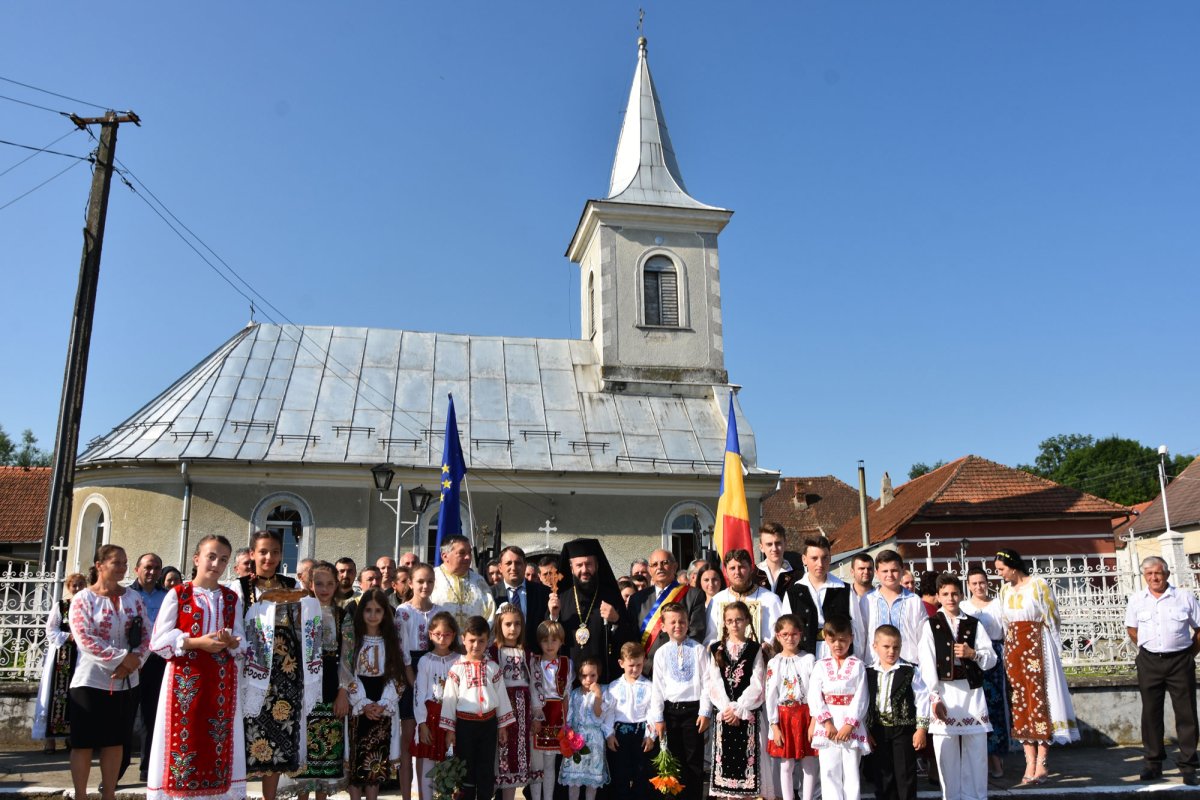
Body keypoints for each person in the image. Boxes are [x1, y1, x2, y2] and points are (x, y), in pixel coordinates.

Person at [145, 535, 245, 800]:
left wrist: (231, 642)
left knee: (217, 739)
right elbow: (158, 641)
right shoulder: (179, 594)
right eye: (211, 557)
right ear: (197, 558)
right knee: (185, 741)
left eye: (223, 559)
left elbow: (241, 640)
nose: (216, 564)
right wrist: (195, 642)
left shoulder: (231, 598)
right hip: (184, 683)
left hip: (220, 684)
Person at [236, 529, 320, 800]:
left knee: (277, 743)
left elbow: (304, 624)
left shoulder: (291, 586)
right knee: (245, 738)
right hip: (251, 675)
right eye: (263, 551)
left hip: (286, 674)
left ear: (281, 554)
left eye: (274, 552)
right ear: (252, 554)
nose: (268, 557)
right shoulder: (239, 588)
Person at [68, 544, 152, 800]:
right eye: (117, 562)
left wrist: (134, 662)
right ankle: (80, 795)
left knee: (115, 741)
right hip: (90, 681)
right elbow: (84, 637)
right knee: (83, 742)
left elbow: (147, 633)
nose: (122, 568)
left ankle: (109, 794)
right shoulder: (84, 599)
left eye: (125, 563)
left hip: (127, 681)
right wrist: (122, 659)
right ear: (99, 565)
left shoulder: (133, 597)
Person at [994, 548, 1079, 784]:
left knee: (1040, 700)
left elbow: (1052, 618)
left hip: (1037, 645)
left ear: (1013, 566)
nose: (999, 574)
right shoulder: (1004, 590)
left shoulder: (1038, 584)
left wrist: (1055, 649)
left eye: (1001, 569)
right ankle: (1028, 761)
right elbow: (1005, 623)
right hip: (1015, 648)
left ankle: (1042, 761)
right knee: (1020, 702)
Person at [917, 574, 995, 800]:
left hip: (972, 692)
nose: (950, 598)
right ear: (938, 596)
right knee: (946, 752)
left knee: (976, 750)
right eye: (945, 594)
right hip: (945, 692)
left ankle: (976, 797)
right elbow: (926, 662)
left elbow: (991, 658)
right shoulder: (931, 624)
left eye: (954, 594)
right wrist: (934, 697)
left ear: (961, 595)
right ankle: (950, 796)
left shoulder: (973, 623)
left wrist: (973, 654)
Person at [1125, 556, 1200, 784]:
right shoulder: (1137, 600)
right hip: (1149, 662)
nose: (1154, 578)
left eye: (1158, 573)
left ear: (1166, 574)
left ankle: (1188, 766)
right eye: (1149, 574)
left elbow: (1199, 629)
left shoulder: (1184, 597)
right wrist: (1150, 647)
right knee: (1151, 713)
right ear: (1144, 576)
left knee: (1186, 713)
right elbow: (1132, 630)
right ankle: (1153, 763)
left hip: (1180, 661)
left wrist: (1188, 655)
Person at [286, 561, 348, 800]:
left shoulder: (342, 616)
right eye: (319, 583)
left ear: (336, 585)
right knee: (304, 757)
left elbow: (347, 657)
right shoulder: (299, 613)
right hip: (304, 689)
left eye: (330, 584)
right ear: (310, 584)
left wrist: (343, 692)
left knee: (326, 756)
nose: (324, 589)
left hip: (331, 688)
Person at [440, 615, 514, 800]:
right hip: (465, 726)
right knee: (466, 769)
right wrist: (450, 730)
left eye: (481, 641)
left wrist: (502, 726)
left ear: (487, 641)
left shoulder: (493, 668)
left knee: (486, 768)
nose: (476, 645)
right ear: (463, 639)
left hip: (488, 725)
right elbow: (449, 701)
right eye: (472, 640)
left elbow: (501, 697)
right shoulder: (456, 669)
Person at [343, 588, 405, 800]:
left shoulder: (391, 641)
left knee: (375, 763)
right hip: (358, 705)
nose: (372, 615)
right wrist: (362, 703)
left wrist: (384, 703)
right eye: (368, 610)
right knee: (355, 763)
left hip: (382, 705)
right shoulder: (353, 640)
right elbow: (347, 672)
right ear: (361, 612)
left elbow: (397, 674)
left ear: (385, 613)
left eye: (378, 610)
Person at [648, 603, 710, 800]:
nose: (678, 626)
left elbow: (707, 683)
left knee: (693, 762)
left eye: (682, 621)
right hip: (670, 713)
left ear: (688, 623)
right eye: (672, 622)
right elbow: (657, 688)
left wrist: (705, 712)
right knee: (672, 761)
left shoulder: (699, 650)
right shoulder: (661, 653)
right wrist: (658, 718)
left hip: (693, 713)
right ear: (663, 626)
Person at [806, 614, 869, 800]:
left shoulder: (857, 665)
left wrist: (850, 725)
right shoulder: (820, 666)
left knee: (851, 772)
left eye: (842, 640)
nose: (838, 645)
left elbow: (861, 697)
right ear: (825, 639)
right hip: (828, 725)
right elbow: (814, 696)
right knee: (829, 771)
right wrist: (826, 723)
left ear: (851, 638)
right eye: (833, 640)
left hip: (850, 725)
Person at [557, 538, 638, 683]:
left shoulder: (611, 597)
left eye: (589, 564)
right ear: (571, 568)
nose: (584, 570)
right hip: (569, 681)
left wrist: (616, 620)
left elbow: (629, 641)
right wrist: (553, 616)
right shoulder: (561, 599)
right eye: (579, 565)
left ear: (597, 565)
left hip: (604, 680)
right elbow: (548, 637)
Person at [708, 601, 766, 799]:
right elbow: (714, 682)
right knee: (726, 767)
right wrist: (728, 709)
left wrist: (740, 708)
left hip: (746, 714)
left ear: (747, 621)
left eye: (739, 620)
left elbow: (758, 682)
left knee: (746, 768)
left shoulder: (755, 649)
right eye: (730, 621)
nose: (734, 624)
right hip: (724, 714)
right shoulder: (716, 648)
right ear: (724, 623)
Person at [867, 625, 929, 800]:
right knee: (882, 775)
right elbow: (864, 702)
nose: (891, 651)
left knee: (905, 774)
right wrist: (866, 730)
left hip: (903, 730)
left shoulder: (910, 670)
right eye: (886, 647)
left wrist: (921, 729)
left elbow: (922, 699)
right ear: (875, 646)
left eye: (896, 647)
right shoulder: (868, 672)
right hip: (878, 730)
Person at [397, 562, 442, 800]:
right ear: (411, 583)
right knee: (408, 737)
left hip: (433, 669)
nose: (425, 586)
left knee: (428, 737)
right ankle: (406, 796)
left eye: (430, 581)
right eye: (420, 581)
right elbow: (400, 646)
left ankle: (427, 794)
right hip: (410, 670)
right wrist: (410, 676)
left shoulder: (439, 611)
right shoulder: (403, 611)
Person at [959, 566, 1009, 778]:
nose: (979, 587)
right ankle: (977, 760)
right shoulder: (964, 606)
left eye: (982, 582)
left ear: (987, 583)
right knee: (975, 708)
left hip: (994, 658)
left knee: (995, 709)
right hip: (971, 659)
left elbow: (1006, 632)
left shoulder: (998, 604)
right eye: (974, 583)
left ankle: (996, 759)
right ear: (968, 585)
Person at [627, 549, 706, 678]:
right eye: (655, 564)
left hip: (679, 669)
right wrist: (645, 664)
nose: (660, 568)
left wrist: (675, 661)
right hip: (644, 671)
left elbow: (696, 634)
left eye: (665, 563)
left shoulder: (693, 595)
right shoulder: (638, 599)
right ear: (650, 570)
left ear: (675, 566)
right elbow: (632, 635)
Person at [492, 605, 543, 799]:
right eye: (508, 624)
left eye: (517, 624)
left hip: (522, 714)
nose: (513, 628)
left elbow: (535, 685)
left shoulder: (527, 653)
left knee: (516, 760)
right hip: (500, 710)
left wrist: (537, 714)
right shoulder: (492, 652)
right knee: (498, 757)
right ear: (499, 625)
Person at [783, 536, 863, 658]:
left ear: (830, 558)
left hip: (840, 656)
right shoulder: (793, 593)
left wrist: (857, 659)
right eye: (814, 558)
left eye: (824, 558)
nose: (820, 564)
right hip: (804, 657)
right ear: (804, 559)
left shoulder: (845, 590)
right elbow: (786, 630)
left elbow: (857, 629)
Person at [33, 572, 86, 755]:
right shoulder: (61, 606)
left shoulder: (88, 606)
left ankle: (71, 737)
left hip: (81, 656)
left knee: (75, 696)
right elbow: (51, 629)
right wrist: (69, 637)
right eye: (74, 585)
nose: (77, 588)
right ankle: (50, 740)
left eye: (80, 585)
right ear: (68, 587)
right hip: (61, 656)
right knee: (56, 695)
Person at [766, 615, 818, 800]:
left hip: (806, 714)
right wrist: (774, 725)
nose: (790, 638)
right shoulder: (774, 662)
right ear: (778, 636)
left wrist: (814, 721)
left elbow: (815, 692)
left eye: (794, 634)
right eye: (785, 634)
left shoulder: (809, 659)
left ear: (800, 634)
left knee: (808, 763)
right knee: (786, 764)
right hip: (784, 716)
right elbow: (770, 695)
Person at [412, 611, 462, 800]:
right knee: (429, 762)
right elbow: (419, 694)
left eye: (447, 634)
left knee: (451, 761)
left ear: (454, 635)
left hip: (453, 716)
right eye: (438, 634)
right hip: (431, 716)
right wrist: (422, 723)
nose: (442, 638)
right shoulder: (425, 661)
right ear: (431, 634)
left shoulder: (459, 660)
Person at [129, 552, 168, 782]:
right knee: (125, 713)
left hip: (157, 661)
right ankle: (118, 766)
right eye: (148, 567)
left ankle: (147, 767)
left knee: (151, 714)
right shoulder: (128, 595)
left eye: (156, 568)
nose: (152, 572)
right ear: (137, 569)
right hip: (131, 660)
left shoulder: (167, 596)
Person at [604, 641, 655, 800]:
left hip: (641, 733)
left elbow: (652, 712)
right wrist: (609, 735)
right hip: (620, 733)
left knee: (641, 772)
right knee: (620, 772)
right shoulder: (614, 687)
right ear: (621, 663)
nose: (635, 669)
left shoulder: (649, 686)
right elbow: (609, 713)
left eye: (639, 665)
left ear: (644, 661)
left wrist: (650, 736)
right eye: (631, 665)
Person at [706, 549, 783, 647]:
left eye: (742, 567)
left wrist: (767, 647)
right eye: (732, 568)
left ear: (751, 569)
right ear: (726, 571)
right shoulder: (717, 600)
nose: (737, 572)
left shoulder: (771, 600)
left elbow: (780, 635)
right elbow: (710, 638)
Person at [560, 656, 611, 799]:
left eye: (592, 675)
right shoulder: (574, 693)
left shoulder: (603, 692)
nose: (588, 679)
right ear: (578, 676)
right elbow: (569, 718)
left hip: (594, 742)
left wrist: (598, 694)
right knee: (574, 780)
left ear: (598, 675)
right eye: (584, 675)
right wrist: (568, 735)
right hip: (576, 740)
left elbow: (598, 713)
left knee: (592, 781)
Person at [531, 621, 572, 800]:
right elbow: (531, 689)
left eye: (554, 640)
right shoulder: (534, 662)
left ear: (561, 641)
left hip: (557, 716)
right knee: (536, 765)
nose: (549, 645)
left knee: (549, 764)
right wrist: (535, 714)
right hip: (538, 714)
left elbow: (567, 695)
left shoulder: (566, 663)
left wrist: (567, 722)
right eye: (545, 640)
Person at [863, 550, 927, 665]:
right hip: (874, 665)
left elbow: (924, 638)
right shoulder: (867, 600)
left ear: (902, 570)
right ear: (877, 573)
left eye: (894, 570)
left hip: (908, 665)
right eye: (885, 571)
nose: (890, 575)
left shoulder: (914, 601)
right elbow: (860, 636)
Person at [490, 545, 553, 651]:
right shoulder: (491, 594)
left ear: (525, 566)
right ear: (500, 567)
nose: (513, 568)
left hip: (535, 655)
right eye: (508, 563)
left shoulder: (543, 593)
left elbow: (549, 625)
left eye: (518, 563)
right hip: (500, 655)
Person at [431, 535, 495, 630]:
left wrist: (480, 636)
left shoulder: (479, 581)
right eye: (462, 553)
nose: (468, 557)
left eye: (469, 552)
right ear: (445, 556)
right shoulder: (431, 578)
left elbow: (490, 613)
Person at [757, 522, 796, 598]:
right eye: (769, 544)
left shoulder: (798, 576)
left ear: (785, 544)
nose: (774, 549)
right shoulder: (752, 576)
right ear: (761, 547)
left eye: (778, 543)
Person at [849, 553, 875, 619]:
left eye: (869, 569)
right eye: (861, 568)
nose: (866, 572)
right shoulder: (844, 596)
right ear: (852, 572)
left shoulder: (880, 597)